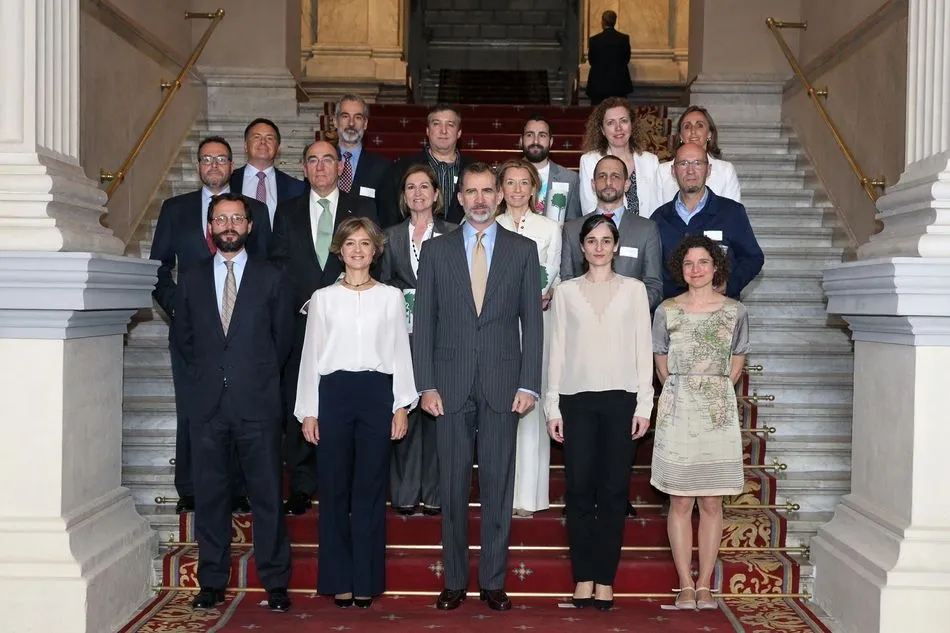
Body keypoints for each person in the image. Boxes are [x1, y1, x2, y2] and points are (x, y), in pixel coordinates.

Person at [413, 162, 543, 612]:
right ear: (459, 198)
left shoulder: (523, 251)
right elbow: (424, 323)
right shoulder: (436, 251)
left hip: (504, 383)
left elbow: (533, 323)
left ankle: (492, 581)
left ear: (500, 196)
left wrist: (530, 383)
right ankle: (453, 580)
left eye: (488, 191)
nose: (481, 199)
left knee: (498, 485)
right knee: (451, 488)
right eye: (471, 192)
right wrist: (426, 384)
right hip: (448, 385)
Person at [171, 193, 293, 613]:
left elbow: (282, 340)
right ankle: (211, 581)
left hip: (257, 403)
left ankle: (275, 582)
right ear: (210, 228)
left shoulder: (271, 276)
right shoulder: (190, 277)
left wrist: (252, 375)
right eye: (221, 218)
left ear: (249, 226)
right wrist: (211, 376)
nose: (229, 225)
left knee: (267, 496)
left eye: (236, 218)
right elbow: (184, 339)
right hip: (207, 406)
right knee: (210, 497)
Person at [295, 217, 417, 609]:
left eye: (365, 243)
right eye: (351, 243)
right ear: (340, 250)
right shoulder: (323, 298)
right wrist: (309, 411)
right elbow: (311, 355)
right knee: (333, 490)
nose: (358, 250)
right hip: (333, 395)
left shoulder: (391, 297)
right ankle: (337, 579)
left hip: (377, 394)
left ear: (376, 250)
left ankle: (365, 579)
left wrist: (402, 405)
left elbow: (400, 351)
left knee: (370, 490)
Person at [150, 135, 266, 514]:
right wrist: (179, 309)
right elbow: (158, 269)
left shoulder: (253, 211)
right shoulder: (175, 209)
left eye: (221, 159)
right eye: (206, 159)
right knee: (193, 409)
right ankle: (190, 487)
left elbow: (266, 268)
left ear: (233, 165)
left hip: (241, 333)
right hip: (192, 334)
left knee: (238, 407)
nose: (214, 165)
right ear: (198, 165)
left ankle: (237, 488)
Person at [545, 214, 654, 611]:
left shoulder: (635, 290)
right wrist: (552, 406)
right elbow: (557, 350)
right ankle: (583, 577)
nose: (599, 247)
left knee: (613, 491)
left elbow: (644, 349)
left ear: (616, 245)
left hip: (622, 400)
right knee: (578, 490)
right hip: (576, 400)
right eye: (591, 240)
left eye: (606, 240)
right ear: (582, 246)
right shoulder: (566, 292)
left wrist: (645, 403)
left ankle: (605, 578)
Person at [269, 140, 378, 515]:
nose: (320, 166)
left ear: (340, 167)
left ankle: (344, 479)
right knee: (300, 398)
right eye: (312, 160)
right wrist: (307, 302)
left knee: (343, 399)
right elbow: (279, 264)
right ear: (303, 169)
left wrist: (339, 298)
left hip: (352, 322)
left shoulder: (362, 208)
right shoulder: (287, 211)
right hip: (301, 322)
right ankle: (301, 484)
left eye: (327, 159)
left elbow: (370, 259)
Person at [651, 234, 750, 611]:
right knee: (680, 499)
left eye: (703, 262)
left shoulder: (735, 312)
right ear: (681, 268)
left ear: (716, 267)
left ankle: (705, 584)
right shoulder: (666, 310)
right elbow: (662, 365)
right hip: (678, 410)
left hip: (717, 413)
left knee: (711, 500)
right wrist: (684, 391)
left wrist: (712, 393)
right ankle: (684, 584)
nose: (696, 269)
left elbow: (736, 363)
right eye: (689, 263)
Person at [379, 165, 458, 517]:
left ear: (436, 194)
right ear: (403, 195)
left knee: (439, 413)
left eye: (425, 186)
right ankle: (406, 493)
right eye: (411, 187)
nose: (418, 193)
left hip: (445, 337)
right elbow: (383, 285)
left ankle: (435, 494)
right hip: (403, 336)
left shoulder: (454, 233)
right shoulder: (389, 236)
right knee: (405, 410)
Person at [494, 158, 561, 517]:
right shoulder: (490, 225)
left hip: (536, 321)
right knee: (500, 405)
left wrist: (538, 292)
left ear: (535, 188)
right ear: (500, 189)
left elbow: (551, 273)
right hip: (496, 324)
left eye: (524, 182)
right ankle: (501, 493)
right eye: (510, 182)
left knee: (532, 404)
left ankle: (530, 497)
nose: (517, 189)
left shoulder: (550, 228)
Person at [652, 143, 764, 300]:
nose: (690, 170)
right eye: (683, 163)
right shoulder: (659, 218)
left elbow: (753, 258)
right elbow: (651, 268)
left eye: (697, 163)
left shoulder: (731, 212)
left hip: (720, 307)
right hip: (674, 309)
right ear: (673, 171)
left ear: (709, 169)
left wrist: (729, 285)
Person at [561, 155, 663, 311]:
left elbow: (653, 285)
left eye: (615, 176)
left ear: (627, 184)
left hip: (630, 320)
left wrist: (624, 313)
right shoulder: (572, 229)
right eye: (602, 176)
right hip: (584, 319)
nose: (608, 182)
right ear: (593, 184)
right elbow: (567, 282)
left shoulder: (647, 229)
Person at [381, 104, 473, 227]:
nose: (443, 131)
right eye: (436, 124)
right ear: (428, 131)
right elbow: (389, 216)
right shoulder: (401, 169)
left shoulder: (474, 169)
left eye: (450, 125)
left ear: (459, 133)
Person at [229, 117, 308, 254]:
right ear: (245, 146)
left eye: (269, 138)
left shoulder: (297, 188)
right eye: (257, 137)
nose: (263, 142)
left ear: (278, 148)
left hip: (280, 259)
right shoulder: (229, 182)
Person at [578, 97, 662, 218]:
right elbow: (589, 209)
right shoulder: (589, 161)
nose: (618, 128)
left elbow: (658, 206)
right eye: (610, 123)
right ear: (602, 130)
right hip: (605, 228)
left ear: (632, 125)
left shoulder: (650, 161)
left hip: (646, 228)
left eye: (623, 121)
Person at [657, 106, 741, 205]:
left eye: (699, 125)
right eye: (687, 126)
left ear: (709, 134)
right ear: (681, 136)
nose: (693, 131)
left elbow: (732, 211)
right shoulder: (662, 171)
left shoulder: (726, 170)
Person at [521, 114, 582, 223]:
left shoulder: (570, 179)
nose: (536, 141)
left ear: (551, 141)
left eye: (542, 135)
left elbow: (573, 224)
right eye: (530, 135)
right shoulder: (505, 175)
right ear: (521, 140)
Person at [333, 94, 392, 202]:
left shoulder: (383, 168)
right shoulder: (321, 164)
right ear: (335, 122)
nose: (351, 123)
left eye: (358, 117)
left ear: (365, 124)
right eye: (345, 116)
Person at [585, 10, 634, 106]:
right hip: (619, 86)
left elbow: (591, 61)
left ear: (603, 21)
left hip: (598, 86)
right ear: (615, 21)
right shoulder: (623, 38)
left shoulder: (594, 40)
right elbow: (626, 59)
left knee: (599, 112)